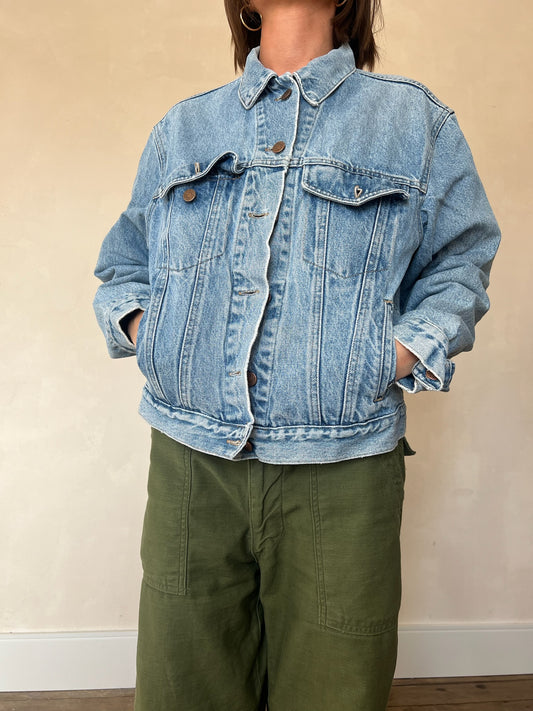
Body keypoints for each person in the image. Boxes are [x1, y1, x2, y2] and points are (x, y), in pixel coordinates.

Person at [93, 0, 501, 709]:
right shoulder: (185, 127)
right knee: (183, 688)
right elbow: (125, 264)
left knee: (332, 690)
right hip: (192, 461)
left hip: (343, 469)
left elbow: (461, 261)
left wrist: (390, 355)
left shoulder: (413, 123)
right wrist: (151, 331)